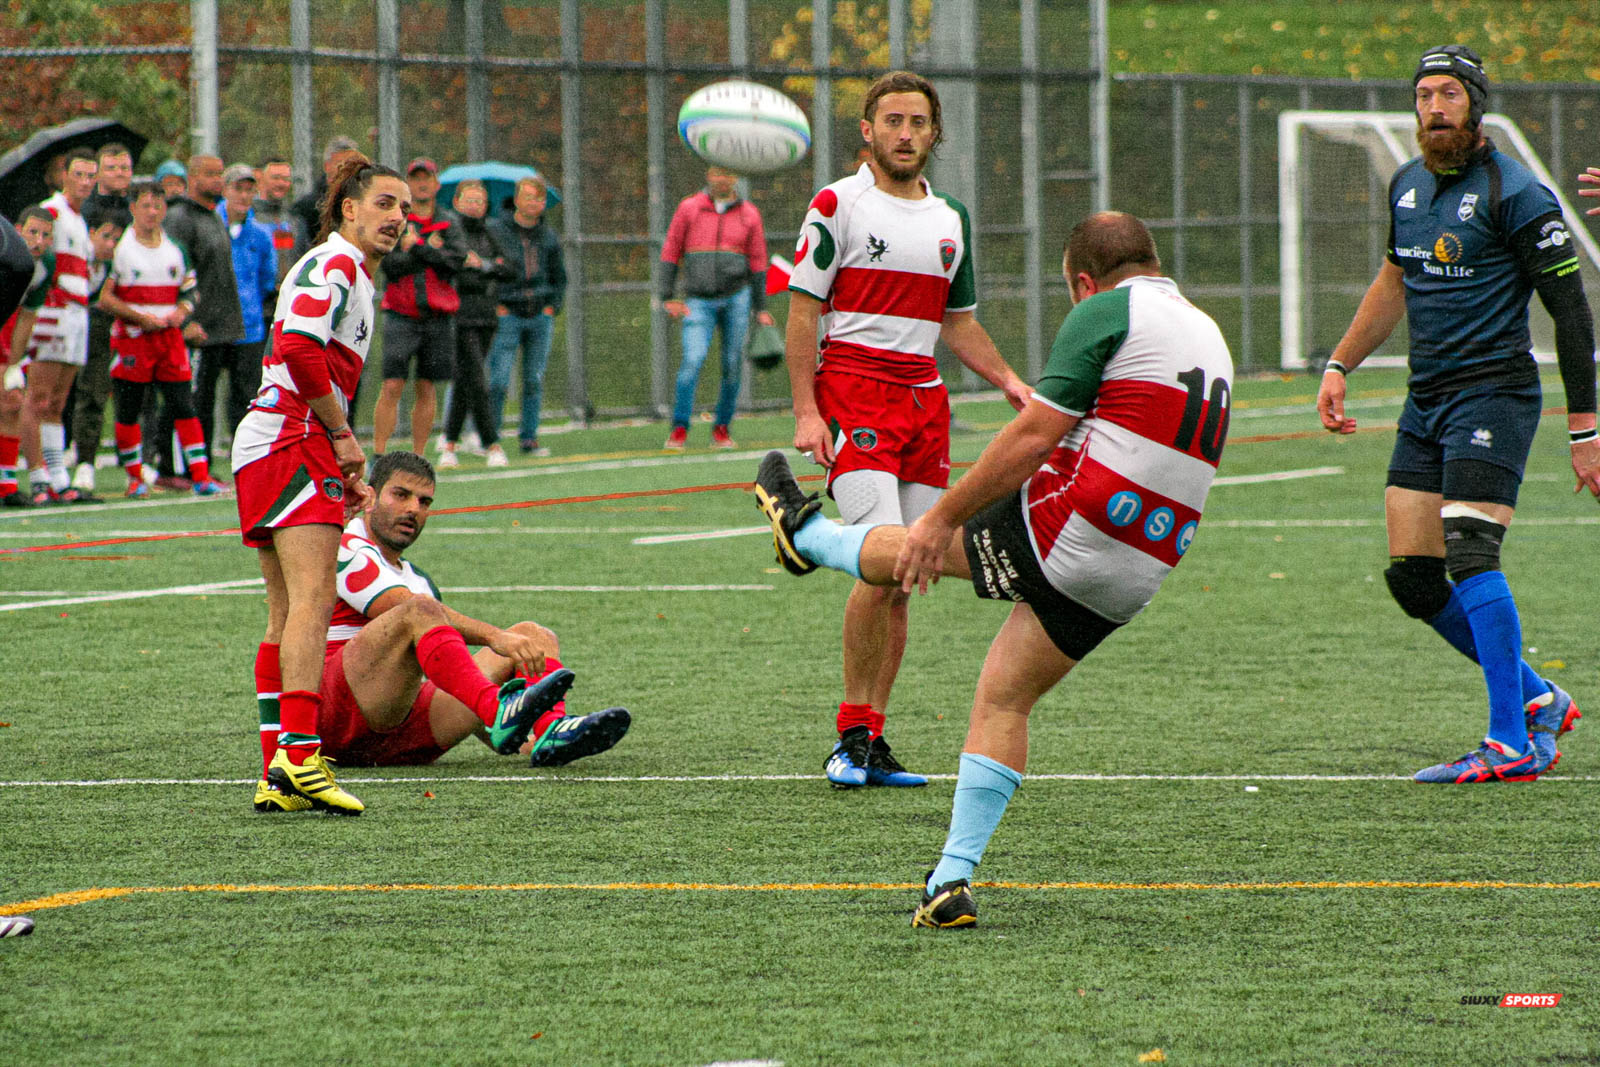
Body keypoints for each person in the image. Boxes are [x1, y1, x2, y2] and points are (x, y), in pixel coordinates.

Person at [756, 211, 1233, 926]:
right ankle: (949, 880)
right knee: (1004, 700)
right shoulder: (1206, 327)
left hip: (1082, 521)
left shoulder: (1106, 310)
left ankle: (806, 532)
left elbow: (1035, 434)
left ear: (1080, 281)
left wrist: (946, 514)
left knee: (920, 541)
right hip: (1144, 562)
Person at [1316, 46, 1594, 784]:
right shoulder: (1406, 184)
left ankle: (1508, 742)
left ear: (1475, 105)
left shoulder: (1518, 192)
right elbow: (1393, 278)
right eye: (1424, 95)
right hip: (1427, 395)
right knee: (1415, 578)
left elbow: (1571, 314)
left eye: (1449, 95)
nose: (1434, 108)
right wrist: (1340, 361)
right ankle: (1539, 698)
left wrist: (1586, 429)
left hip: (1494, 393)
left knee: (1471, 551)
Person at [782, 70, 1031, 789]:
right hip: (855, 392)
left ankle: (872, 736)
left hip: (924, 402)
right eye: (891, 120)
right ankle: (849, 736)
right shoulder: (838, 203)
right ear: (867, 130)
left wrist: (1011, 380)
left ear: (934, 133)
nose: (904, 134)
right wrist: (806, 409)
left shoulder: (951, 218)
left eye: (917, 122)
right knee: (883, 557)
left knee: (912, 567)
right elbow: (803, 311)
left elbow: (958, 324)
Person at [254, 449, 631, 792]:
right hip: (336, 721)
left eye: (423, 501)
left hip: (401, 731)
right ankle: (501, 714)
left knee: (534, 635)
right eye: (400, 495)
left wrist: (509, 739)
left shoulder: (418, 578)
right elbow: (400, 606)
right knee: (424, 611)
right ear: (369, 496)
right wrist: (494, 637)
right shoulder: (346, 545)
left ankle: (548, 734)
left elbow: (450, 672)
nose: (413, 509)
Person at [232, 154, 409, 815]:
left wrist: (339, 459)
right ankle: (302, 755)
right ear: (347, 209)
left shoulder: (354, 275)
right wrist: (340, 435)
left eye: (406, 209)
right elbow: (300, 345)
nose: (398, 218)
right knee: (312, 600)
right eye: (386, 203)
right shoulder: (333, 263)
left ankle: (277, 770)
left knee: (285, 612)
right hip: (290, 436)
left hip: (277, 438)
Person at [97, 181, 224, 498]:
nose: (152, 212)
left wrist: (182, 312)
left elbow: (191, 291)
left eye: (158, 205)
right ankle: (135, 477)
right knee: (129, 409)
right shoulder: (121, 250)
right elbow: (104, 298)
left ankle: (201, 476)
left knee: (183, 403)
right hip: (133, 340)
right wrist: (140, 318)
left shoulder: (175, 248)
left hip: (168, 340)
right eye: (145, 205)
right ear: (133, 208)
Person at [659, 165, 776, 450]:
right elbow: (671, 250)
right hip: (698, 300)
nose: (721, 178)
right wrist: (667, 295)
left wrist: (760, 307)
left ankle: (722, 428)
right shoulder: (689, 208)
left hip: (737, 297)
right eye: (716, 172)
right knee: (692, 361)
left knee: (732, 366)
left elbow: (758, 261)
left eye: (728, 173)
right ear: (707, 175)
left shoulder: (750, 213)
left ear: (736, 177)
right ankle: (679, 429)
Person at [161, 155, 243, 490]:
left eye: (220, 174)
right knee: (188, 400)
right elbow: (174, 272)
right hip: (195, 329)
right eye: (210, 174)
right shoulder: (180, 217)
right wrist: (186, 321)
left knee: (206, 401)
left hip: (219, 327)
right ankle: (175, 469)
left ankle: (202, 467)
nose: (218, 180)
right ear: (192, 178)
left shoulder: (212, 216)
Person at [373, 157, 465, 456]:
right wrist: (426, 251)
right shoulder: (396, 221)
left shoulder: (449, 222)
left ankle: (418, 455)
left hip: (437, 317)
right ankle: (378, 453)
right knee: (392, 386)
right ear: (407, 185)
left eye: (427, 178)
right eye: (416, 179)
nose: (422, 184)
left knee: (426, 387)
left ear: (436, 184)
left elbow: (455, 262)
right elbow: (392, 266)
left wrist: (418, 247)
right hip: (401, 315)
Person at [22, 148, 98, 504]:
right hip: (54, 313)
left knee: (57, 401)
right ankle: (37, 477)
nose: (84, 182)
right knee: (37, 397)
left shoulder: (80, 219)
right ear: (63, 174)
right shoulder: (52, 211)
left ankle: (58, 476)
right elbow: (33, 255)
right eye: (78, 174)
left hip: (77, 314)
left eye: (90, 176)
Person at [204, 163, 277, 477]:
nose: (244, 195)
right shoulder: (209, 224)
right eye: (238, 188)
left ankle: (243, 460)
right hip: (211, 326)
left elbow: (266, 278)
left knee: (245, 396)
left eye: (249, 190)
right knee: (203, 393)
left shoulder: (260, 234)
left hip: (248, 326)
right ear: (226, 190)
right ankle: (199, 462)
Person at [71, 143, 136, 493]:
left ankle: (140, 462)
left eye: (125, 168)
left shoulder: (137, 209)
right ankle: (83, 458)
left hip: (134, 310)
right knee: (91, 387)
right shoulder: (85, 210)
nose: (119, 174)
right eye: (111, 168)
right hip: (96, 310)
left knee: (135, 390)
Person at [486, 175, 565, 456]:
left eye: (539, 199)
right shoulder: (496, 230)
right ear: (517, 199)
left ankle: (529, 438)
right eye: (529, 197)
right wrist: (498, 304)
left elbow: (560, 277)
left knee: (533, 379)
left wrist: (551, 306)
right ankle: (490, 438)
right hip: (507, 314)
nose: (534, 203)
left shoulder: (549, 236)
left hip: (539, 317)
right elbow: (489, 271)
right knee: (498, 380)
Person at [439, 179, 510, 469]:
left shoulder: (491, 233)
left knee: (466, 381)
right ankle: (491, 443)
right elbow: (452, 266)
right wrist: (475, 266)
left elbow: (510, 268)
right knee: (477, 379)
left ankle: (450, 444)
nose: (474, 206)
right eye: (469, 200)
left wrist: (485, 265)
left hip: (487, 316)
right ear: (457, 203)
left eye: (479, 201)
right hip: (460, 316)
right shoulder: (451, 232)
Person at [0, 207, 56, 506]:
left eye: (46, 235)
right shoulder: (6, 251)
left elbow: (26, 318)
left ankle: (7, 484)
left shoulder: (45, 264)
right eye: (32, 232)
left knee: (11, 401)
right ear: (17, 229)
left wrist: (12, 364)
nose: (38, 241)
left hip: (7, 324)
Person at [291, 136, 361, 260]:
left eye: (352, 164)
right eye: (341, 164)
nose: (346, 169)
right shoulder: (307, 208)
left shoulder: (361, 203)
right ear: (327, 166)